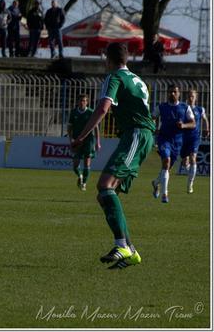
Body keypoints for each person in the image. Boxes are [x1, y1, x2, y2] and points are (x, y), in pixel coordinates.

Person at [71, 42, 155, 270]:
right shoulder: (138, 80)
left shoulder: (114, 77)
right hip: (141, 135)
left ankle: (121, 246)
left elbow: (102, 108)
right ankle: (131, 251)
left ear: (108, 58)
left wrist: (81, 136)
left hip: (136, 135)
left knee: (104, 185)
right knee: (106, 194)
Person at [150, 85, 195, 203]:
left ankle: (155, 183)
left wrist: (184, 126)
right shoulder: (161, 107)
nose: (172, 94)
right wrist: (153, 128)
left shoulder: (185, 108)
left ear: (179, 94)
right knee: (166, 161)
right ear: (167, 93)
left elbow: (193, 123)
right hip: (164, 139)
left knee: (167, 168)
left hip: (178, 142)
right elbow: (152, 118)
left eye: (175, 92)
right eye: (170, 92)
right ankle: (165, 194)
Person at [67, 94, 100, 191]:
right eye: (81, 100)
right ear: (77, 102)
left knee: (87, 163)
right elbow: (69, 127)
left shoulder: (91, 112)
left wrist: (98, 142)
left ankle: (84, 183)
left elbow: (96, 127)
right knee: (75, 165)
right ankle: (80, 176)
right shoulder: (73, 112)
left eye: (84, 101)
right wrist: (71, 140)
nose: (82, 102)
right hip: (77, 140)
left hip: (89, 141)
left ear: (87, 102)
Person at [181, 89, 209, 194]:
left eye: (192, 96)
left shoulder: (200, 109)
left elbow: (205, 119)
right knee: (185, 162)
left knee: (193, 158)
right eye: (189, 96)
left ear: (196, 97)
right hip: (184, 137)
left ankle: (190, 184)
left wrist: (207, 129)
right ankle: (191, 173)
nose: (190, 98)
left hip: (195, 138)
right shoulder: (183, 108)